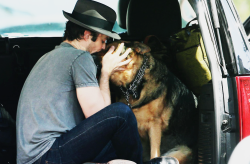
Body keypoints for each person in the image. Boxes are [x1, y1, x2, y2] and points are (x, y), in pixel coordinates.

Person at [16, 0, 143, 164]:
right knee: (122, 114)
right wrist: (106, 71)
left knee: (113, 147)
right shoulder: (80, 58)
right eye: (103, 40)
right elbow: (99, 115)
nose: (104, 47)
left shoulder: (48, 57)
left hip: (34, 156)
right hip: (46, 155)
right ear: (87, 35)